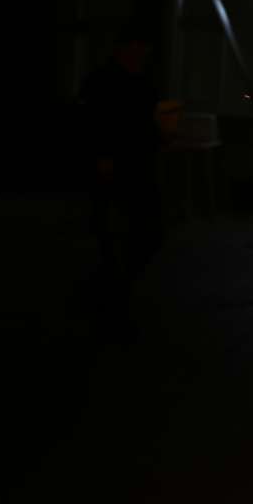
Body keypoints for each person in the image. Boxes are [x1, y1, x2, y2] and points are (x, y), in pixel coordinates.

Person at [80, 24, 165, 340]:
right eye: (136, 48)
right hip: (115, 166)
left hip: (137, 164)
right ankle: (112, 293)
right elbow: (92, 121)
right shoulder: (104, 81)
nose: (140, 55)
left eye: (143, 49)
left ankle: (114, 287)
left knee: (146, 230)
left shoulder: (141, 82)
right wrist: (101, 155)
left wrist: (162, 136)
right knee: (114, 230)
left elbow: (147, 120)